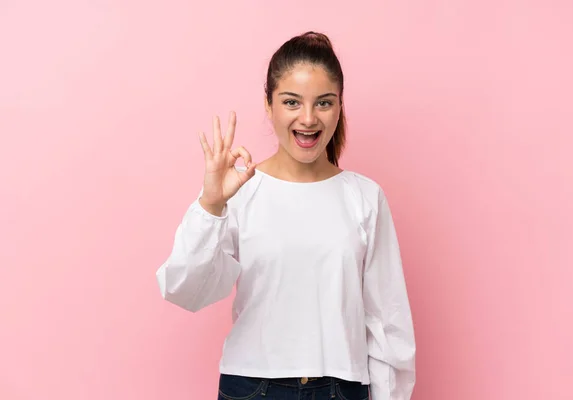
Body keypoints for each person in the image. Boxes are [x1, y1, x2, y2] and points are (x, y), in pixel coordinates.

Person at [156, 31, 416, 400]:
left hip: (341, 388)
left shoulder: (365, 197)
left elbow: (388, 322)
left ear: (340, 106)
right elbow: (185, 290)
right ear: (269, 105)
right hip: (251, 386)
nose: (308, 119)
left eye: (323, 103)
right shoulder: (239, 191)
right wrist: (211, 206)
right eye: (291, 102)